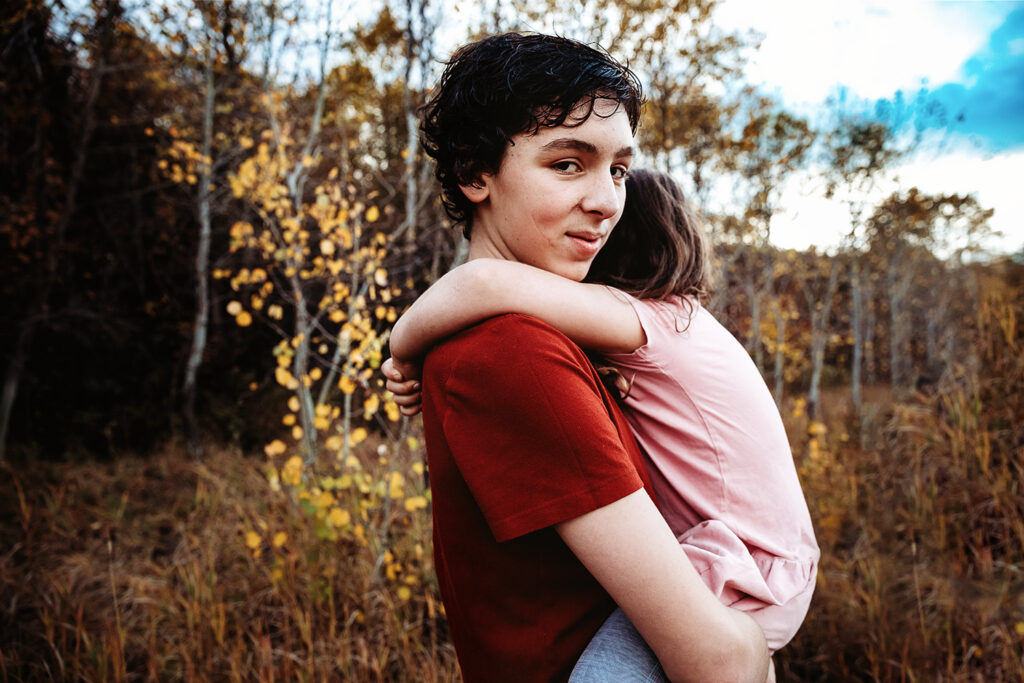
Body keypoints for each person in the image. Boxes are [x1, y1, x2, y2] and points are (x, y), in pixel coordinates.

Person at [381, 32, 771, 683]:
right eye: (567, 164)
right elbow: (717, 658)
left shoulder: (550, 338)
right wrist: (758, 649)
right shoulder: (510, 353)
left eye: (618, 170)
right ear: (475, 172)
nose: (608, 202)